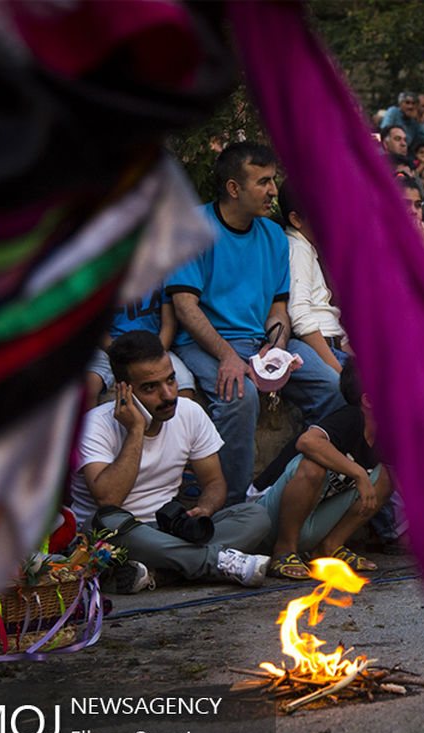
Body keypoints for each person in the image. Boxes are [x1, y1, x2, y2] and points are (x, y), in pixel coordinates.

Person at [167, 142, 344, 504]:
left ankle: (285, 485)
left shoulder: (273, 235)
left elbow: (279, 308)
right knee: (239, 395)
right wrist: (228, 357)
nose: (274, 191)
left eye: (274, 180)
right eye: (263, 181)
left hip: (261, 342)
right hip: (205, 344)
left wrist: (276, 349)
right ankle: (231, 506)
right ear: (234, 188)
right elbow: (185, 306)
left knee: (331, 384)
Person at [70, 331, 273, 591]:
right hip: (118, 535)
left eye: (171, 380)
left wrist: (206, 508)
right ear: (124, 390)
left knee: (255, 515)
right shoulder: (95, 425)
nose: (168, 395)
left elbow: (214, 483)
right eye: (150, 388)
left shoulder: (189, 412)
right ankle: (214, 562)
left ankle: (159, 572)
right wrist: (135, 431)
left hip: (170, 531)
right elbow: (108, 500)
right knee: (104, 522)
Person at [253, 359, 391, 578]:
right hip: (265, 519)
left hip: (309, 521)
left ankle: (328, 548)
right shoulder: (352, 416)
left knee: (389, 475)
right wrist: (358, 474)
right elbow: (307, 442)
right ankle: (284, 551)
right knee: (313, 465)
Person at [83, 283, 197, 410]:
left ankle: (177, 428)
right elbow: (96, 328)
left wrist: (156, 353)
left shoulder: (161, 276)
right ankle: (90, 428)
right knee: (91, 384)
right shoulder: (106, 279)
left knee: (184, 383)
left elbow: (168, 324)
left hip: (154, 347)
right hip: (111, 348)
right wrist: (118, 353)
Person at [279, 182, 351, 376]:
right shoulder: (298, 248)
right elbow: (300, 317)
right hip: (323, 349)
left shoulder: (309, 248)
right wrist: (340, 375)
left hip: (336, 346)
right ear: (295, 219)